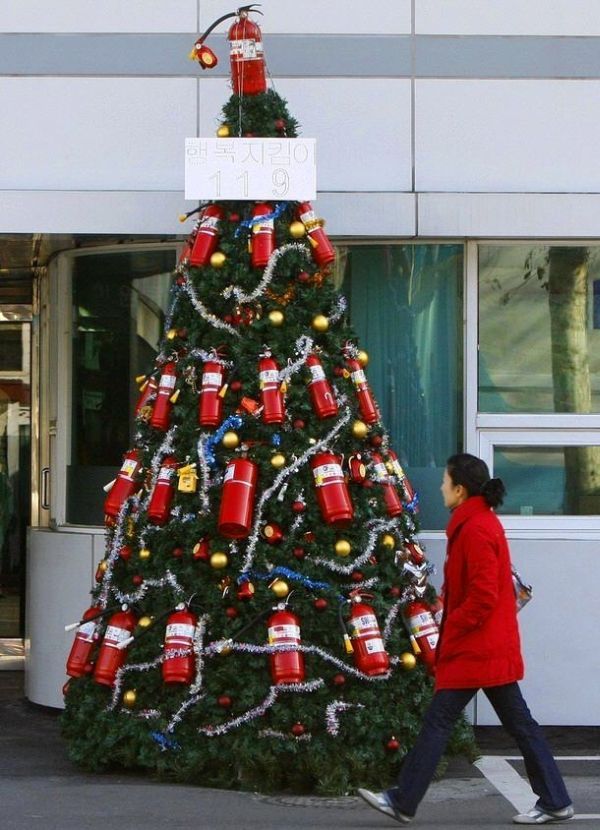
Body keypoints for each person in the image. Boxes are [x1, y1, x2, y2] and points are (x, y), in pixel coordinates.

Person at [358, 453, 574, 825]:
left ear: (460, 489)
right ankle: (554, 799)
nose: (441, 487)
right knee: (518, 724)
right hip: (486, 648)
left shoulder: (474, 529)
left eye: (445, 481)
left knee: (441, 722)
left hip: (477, 649)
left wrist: (451, 625)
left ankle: (403, 801)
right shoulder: (475, 523)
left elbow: (484, 595)